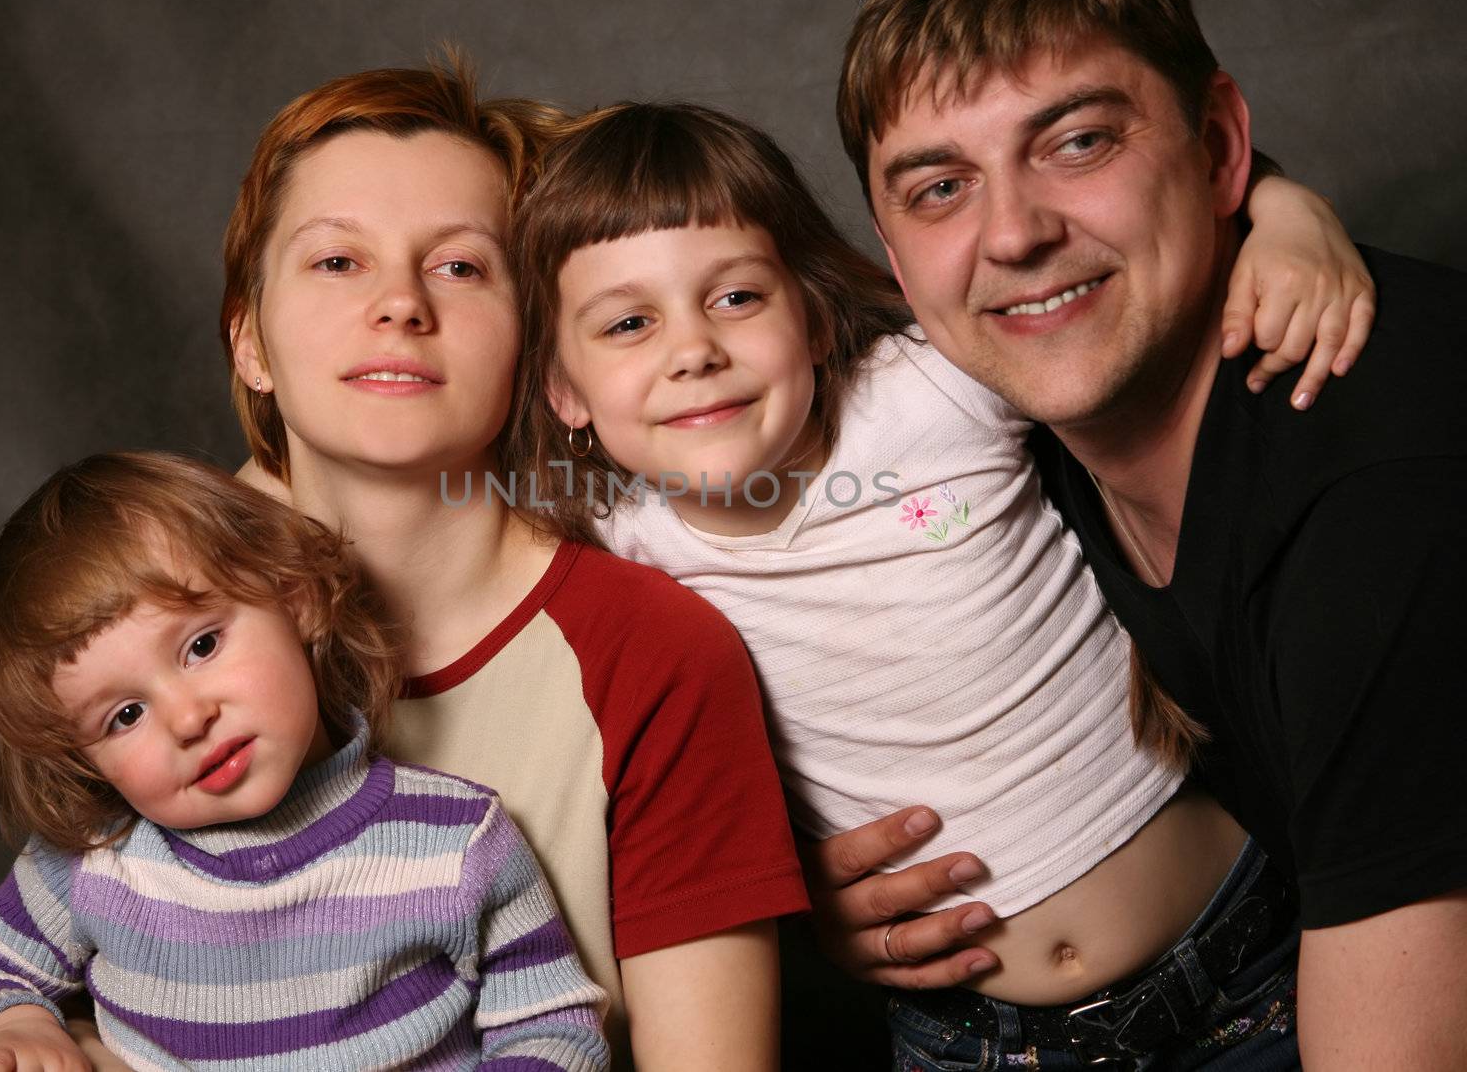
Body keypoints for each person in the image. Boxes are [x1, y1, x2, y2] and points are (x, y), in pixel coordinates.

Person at [505, 99, 1374, 1068]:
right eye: (628, 322)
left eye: (736, 297)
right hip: (978, 1041)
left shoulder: (934, 387)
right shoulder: (619, 547)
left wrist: (1288, 208)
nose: (692, 349)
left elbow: (1137, 249)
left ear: (813, 312)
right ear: (565, 392)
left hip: (1246, 961)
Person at [833, 0, 1467, 1066]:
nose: (1012, 234)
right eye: (938, 187)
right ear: (891, 258)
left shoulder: (1382, 499)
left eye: (1076, 141)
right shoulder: (1000, 421)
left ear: (1217, 145)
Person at [223, 62, 808, 1069]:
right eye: (336, 263)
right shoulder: (163, 611)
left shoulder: (652, 651)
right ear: (251, 341)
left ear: (539, 350)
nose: (401, 302)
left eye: (460, 267)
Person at [0, 451, 608, 1071]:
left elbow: (554, 1025)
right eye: (124, 715)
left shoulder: (458, 841)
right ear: (84, 759)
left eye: (202, 645)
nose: (188, 717)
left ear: (294, 597)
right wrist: (16, 1021)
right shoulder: (98, 858)